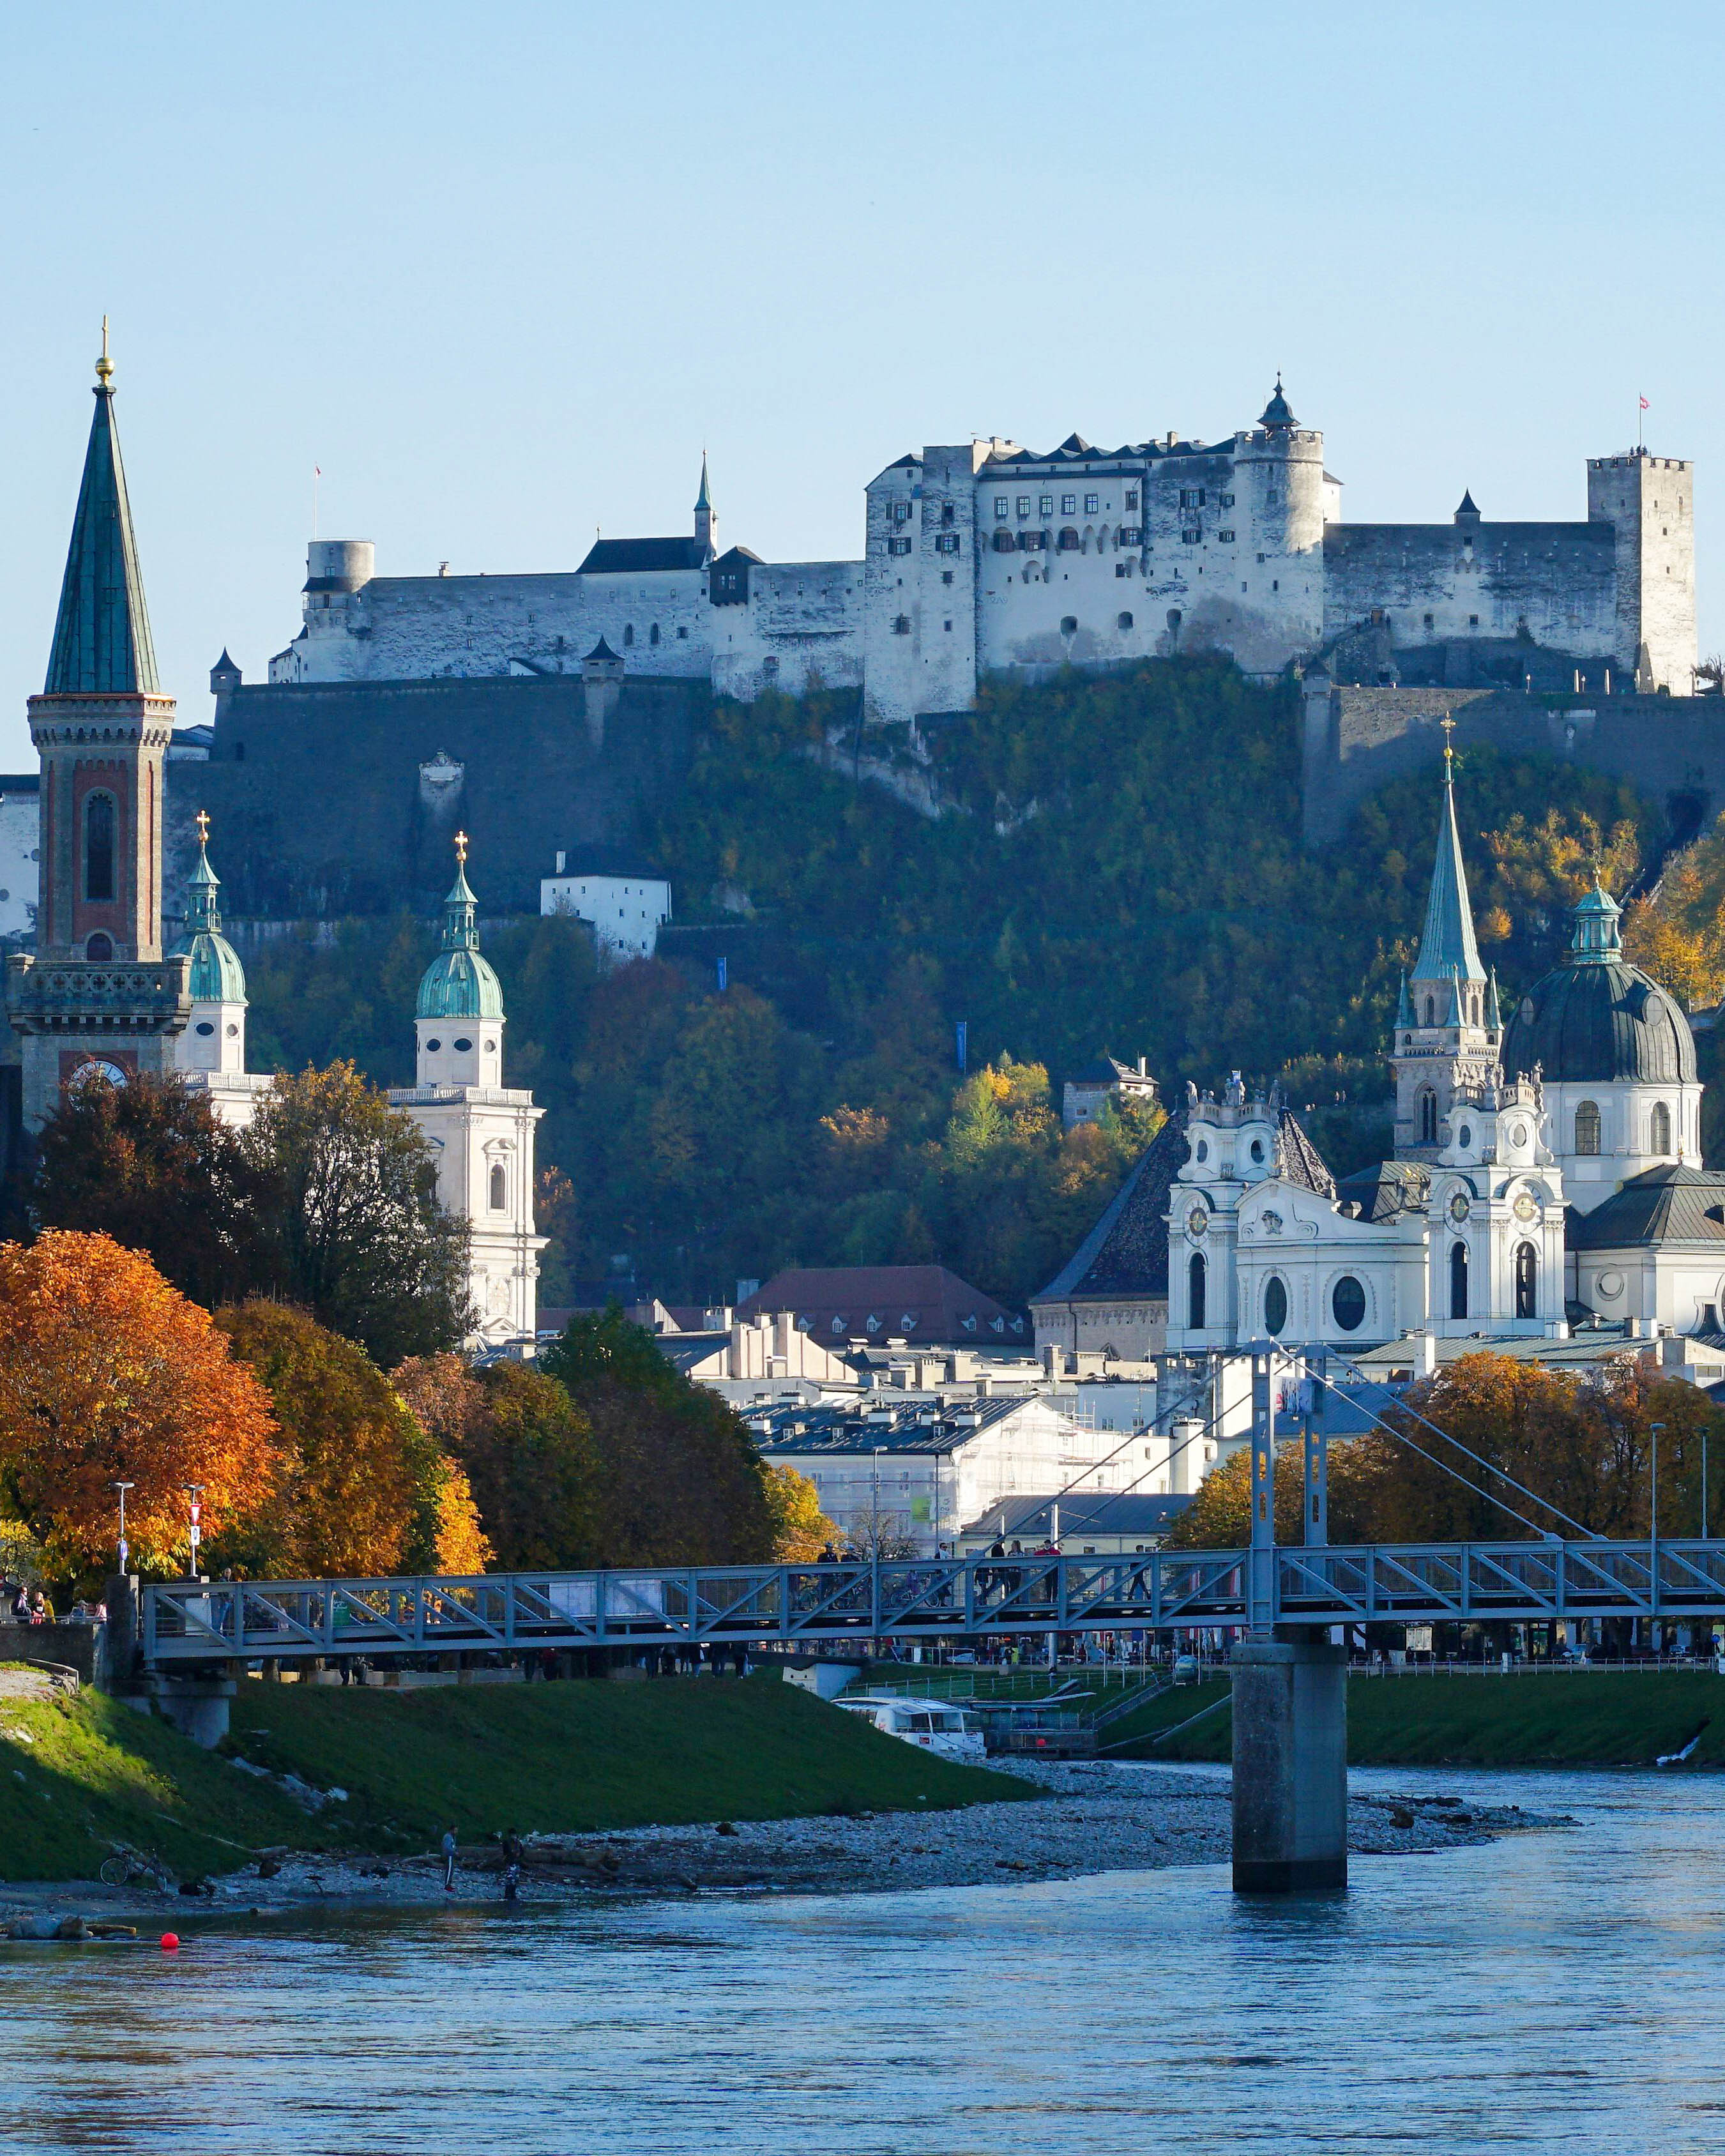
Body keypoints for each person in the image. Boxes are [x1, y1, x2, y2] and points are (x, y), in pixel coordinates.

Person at [501, 1826, 524, 1902]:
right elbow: (506, 1853)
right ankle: (508, 1895)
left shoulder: (517, 1843)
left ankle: (512, 1895)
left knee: (514, 1880)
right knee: (511, 1880)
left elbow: (522, 1852)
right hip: (511, 1863)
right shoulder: (508, 1843)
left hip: (515, 1863)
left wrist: (518, 1854)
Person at [441, 1826, 458, 1892]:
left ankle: (449, 1884)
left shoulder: (452, 1837)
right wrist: (454, 1852)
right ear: (451, 1830)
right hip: (449, 1855)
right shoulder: (448, 1837)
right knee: (449, 1870)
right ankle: (447, 1885)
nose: (456, 1832)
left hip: (450, 1855)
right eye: (455, 1830)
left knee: (451, 1870)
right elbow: (447, 1847)